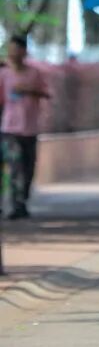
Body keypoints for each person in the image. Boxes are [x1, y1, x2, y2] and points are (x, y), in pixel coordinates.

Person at [0, 33, 51, 217]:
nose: (13, 53)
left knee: (28, 168)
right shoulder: (4, 74)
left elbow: (47, 93)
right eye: (10, 49)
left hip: (30, 128)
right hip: (10, 129)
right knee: (15, 166)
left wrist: (29, 91)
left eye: (16, 49)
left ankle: (23, 200)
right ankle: (15, 205)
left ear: (24, 51)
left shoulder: (34, 73)